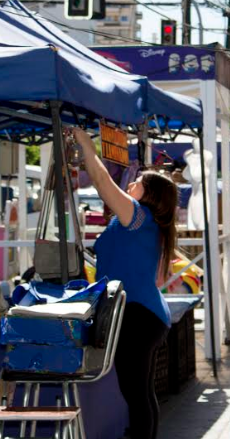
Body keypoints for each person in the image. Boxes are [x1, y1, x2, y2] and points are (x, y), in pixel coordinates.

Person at [73, 128, 179, 439]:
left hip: (137, 314)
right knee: (140, 392)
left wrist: (87, 145)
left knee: (136, 393)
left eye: (137, 183)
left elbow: (104, 184)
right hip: (143, 313)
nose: (130, 184)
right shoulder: (141, 222)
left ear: (148, 194)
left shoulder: (138, 217)